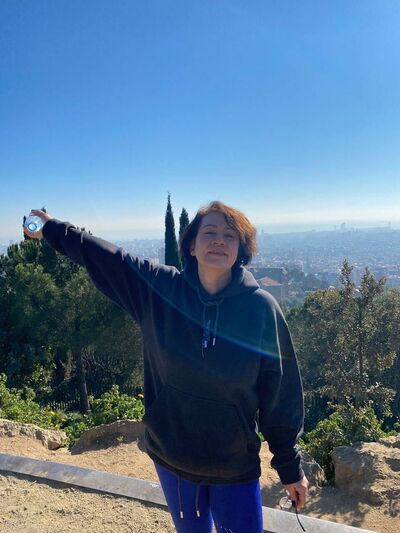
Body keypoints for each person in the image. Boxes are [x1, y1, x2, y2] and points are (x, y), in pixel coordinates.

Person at [23, 202, 308, 533]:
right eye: (210, 232)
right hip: (172, 459)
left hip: (233, 466)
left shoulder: (260, 309)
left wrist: (290, 468)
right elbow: (106, 258)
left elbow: (280, 394)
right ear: (192, 245)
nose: (219, 240)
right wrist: (51, 228)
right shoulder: (160, 290)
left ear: (241, 250)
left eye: (230, 235)